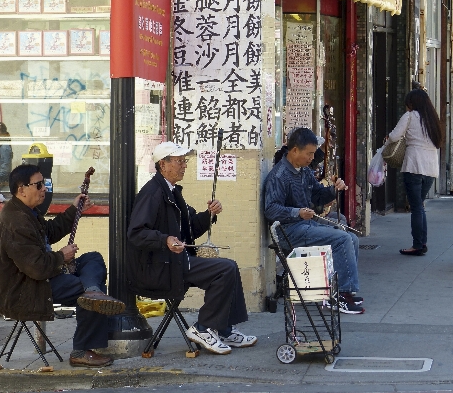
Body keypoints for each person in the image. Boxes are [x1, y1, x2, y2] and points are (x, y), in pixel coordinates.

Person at [0, 164, 126, 367]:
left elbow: (49, 232)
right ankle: (81, 349)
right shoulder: (16, 221)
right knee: (84, 292)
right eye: (39, 185)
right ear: (21, 189)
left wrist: (73, 210)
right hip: (25, 289)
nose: (44, 188)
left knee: (92, 259)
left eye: (44, 184)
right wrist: (61, 256)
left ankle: (93, 291)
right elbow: (36, 268)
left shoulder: (26, 212)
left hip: (41, 277)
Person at [126, 141, 257, 355]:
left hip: (174, 261)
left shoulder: (171, 191)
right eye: (179, 161)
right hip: (159, 268)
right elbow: (136, 233)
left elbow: (190, 228)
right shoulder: (153, 193)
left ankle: (223, 328)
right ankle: (203, 327)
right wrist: (165, 239)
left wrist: (209, 215)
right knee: (225, 269)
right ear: (163, 164)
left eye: (184, 161)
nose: (184, 165)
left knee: (229, 267)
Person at [264, 127, 364, 314]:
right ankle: (341, 294)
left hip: (305, 224)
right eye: (309, 153)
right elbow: (271, 209)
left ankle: (344, 290)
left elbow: (318, 196)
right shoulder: (278, 176)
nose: (312, 158)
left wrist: (334, 189)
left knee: (351, 236)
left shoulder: (304, 171)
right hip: (288, 230)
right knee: (342, 239)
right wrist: (297, 212)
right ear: (294, 150)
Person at [383, 89, 442, 256]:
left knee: (416, 207)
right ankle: (422, 243)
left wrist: (388, 138)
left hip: (414, 165)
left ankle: (418, 245)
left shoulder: (409, 116)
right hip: (430, 168)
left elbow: (394, 137)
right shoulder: (433, 119)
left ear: (411, 103)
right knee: (419, 206)